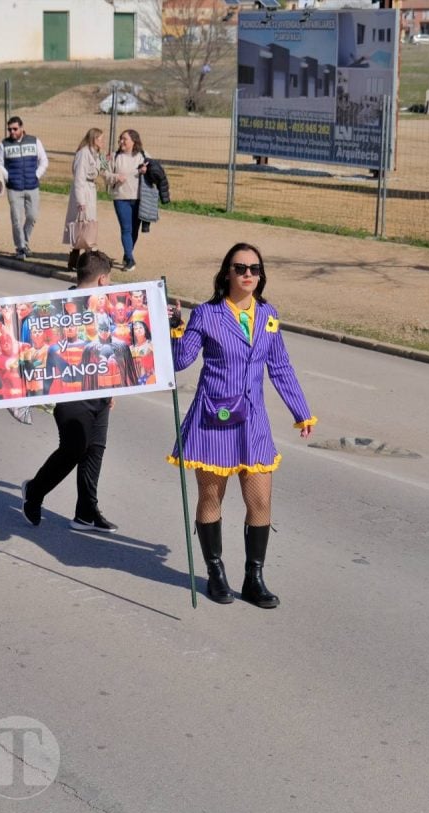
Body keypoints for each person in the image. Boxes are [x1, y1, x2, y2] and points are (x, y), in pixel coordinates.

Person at [166, 243, 316, 607]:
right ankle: (215, 572)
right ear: (226, 274)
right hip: (213, 419)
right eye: (240, 267)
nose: (248, 273)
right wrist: (174, 327)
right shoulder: (207, 314)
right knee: (211, 496)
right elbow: (182, 360)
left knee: (261, 499)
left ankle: (254, 578)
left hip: (254, 423)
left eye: (254, 268)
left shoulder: (268, 315)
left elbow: (279, 366)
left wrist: (301, 411)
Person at [20, 250, 120, 532]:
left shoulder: (107, 308)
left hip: (100, 387)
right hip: (67, 389)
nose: (110, 284)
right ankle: (35, 491)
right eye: (109, 279)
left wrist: (113, 385)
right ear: (102, 279)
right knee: (75, 447)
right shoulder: (56, 308)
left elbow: (111, 346)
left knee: (95, 449)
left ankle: (86, 511)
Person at [0, 115, 47, 260]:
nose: (12, 132)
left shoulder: (34, 141)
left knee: (32, 216)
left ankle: (25, 241)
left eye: (15, 129)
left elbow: (44, 160)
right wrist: (8, 176)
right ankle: (20, 247)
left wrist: (36, 175)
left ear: (22, 128)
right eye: (9, 129)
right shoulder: (3, 144)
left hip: (32, 186)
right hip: (14, 188)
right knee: (16, 219)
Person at [63, 127, 106, 272]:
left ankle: (81, 260)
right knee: (82, 225)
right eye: (101, 139)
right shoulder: (83, 154)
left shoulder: (97, 154)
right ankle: (83, 260)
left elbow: (103, 170)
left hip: (91, 190)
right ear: (94, 139)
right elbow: (79, 178)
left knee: (88, 225)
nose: (103, 142)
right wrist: (81, 201)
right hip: (84, 191)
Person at [109, 129, 146, 273]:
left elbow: (155, 168)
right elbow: (104, 171)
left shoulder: (143, 156)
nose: (121, 141)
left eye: (125, 139)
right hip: (121, 197)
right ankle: (130, 259)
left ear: (133, 141)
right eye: (120, 139)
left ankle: (127, 253)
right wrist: (115, 177)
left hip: (138, 198)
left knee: (134, 230)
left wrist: (146, 170)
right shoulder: (114, 156)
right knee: (126, 228)